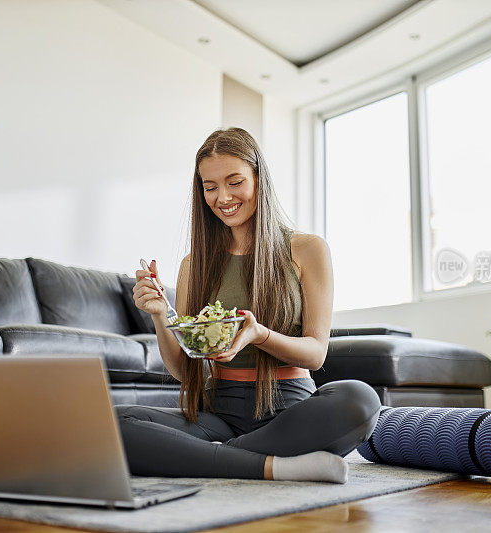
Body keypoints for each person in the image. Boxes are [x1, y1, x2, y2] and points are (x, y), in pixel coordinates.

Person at [118, 127, 381, 483]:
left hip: (289, 408)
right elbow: (185, 370)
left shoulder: (306, 249)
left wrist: (259, 335)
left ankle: (211, 458)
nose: (222, 197)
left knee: (360, 401)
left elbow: (315, 353)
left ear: (258, 179)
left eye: (235, 182)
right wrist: (161, 316)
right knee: (115, 424)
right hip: (218, 411)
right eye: (210, 187)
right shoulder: (192, 265)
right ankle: (274, 465)